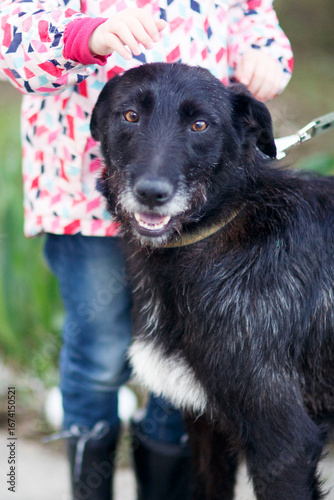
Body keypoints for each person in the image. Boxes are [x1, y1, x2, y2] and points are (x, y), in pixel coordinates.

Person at [0, 1, 293, 499]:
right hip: (81, 203)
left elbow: (253, 15)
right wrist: (86, 35)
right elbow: (13, 44)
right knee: (99, 354)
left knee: (182, 363)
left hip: (196, 210)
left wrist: (264, 53)